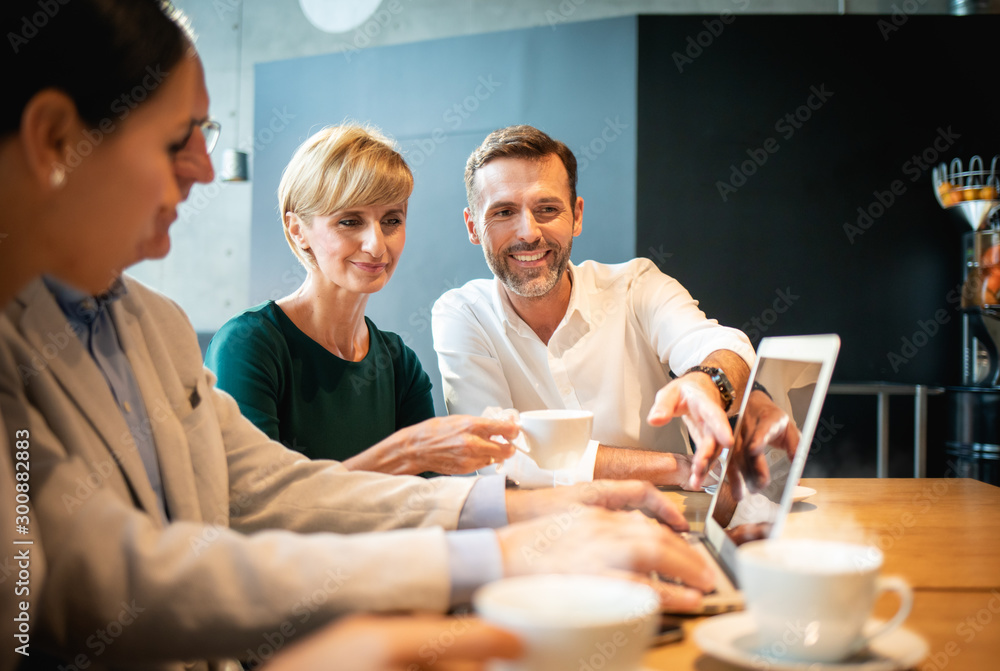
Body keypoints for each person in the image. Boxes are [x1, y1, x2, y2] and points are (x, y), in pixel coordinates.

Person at [0, 4, 712, 669]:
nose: (206, 169)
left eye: (393, 217)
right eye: (176, 138)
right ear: (57, 140)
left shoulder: (155, 325)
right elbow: (68, 587)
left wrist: (537, 512)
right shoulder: (247, 340)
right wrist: (500, 551)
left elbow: (274, 489)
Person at [433, 125, 784, 491]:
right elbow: (498, 458)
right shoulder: (463, 315)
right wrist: (676, 468)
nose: (528, 233)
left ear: (577, 215)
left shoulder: (636, 285)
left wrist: (708, 383)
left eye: (547, 208)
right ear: (473, 227)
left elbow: (720, 345)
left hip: (665, 526)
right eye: (504, 212)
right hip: (540, 535)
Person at [205, 125, 517, 474]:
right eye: (350, 221)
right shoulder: (248, 346)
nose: (376, 245)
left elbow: (428, 503)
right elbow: (257, 503)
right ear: (298, 230)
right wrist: (405, 454)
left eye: (391, 220)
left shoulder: (400, 364)